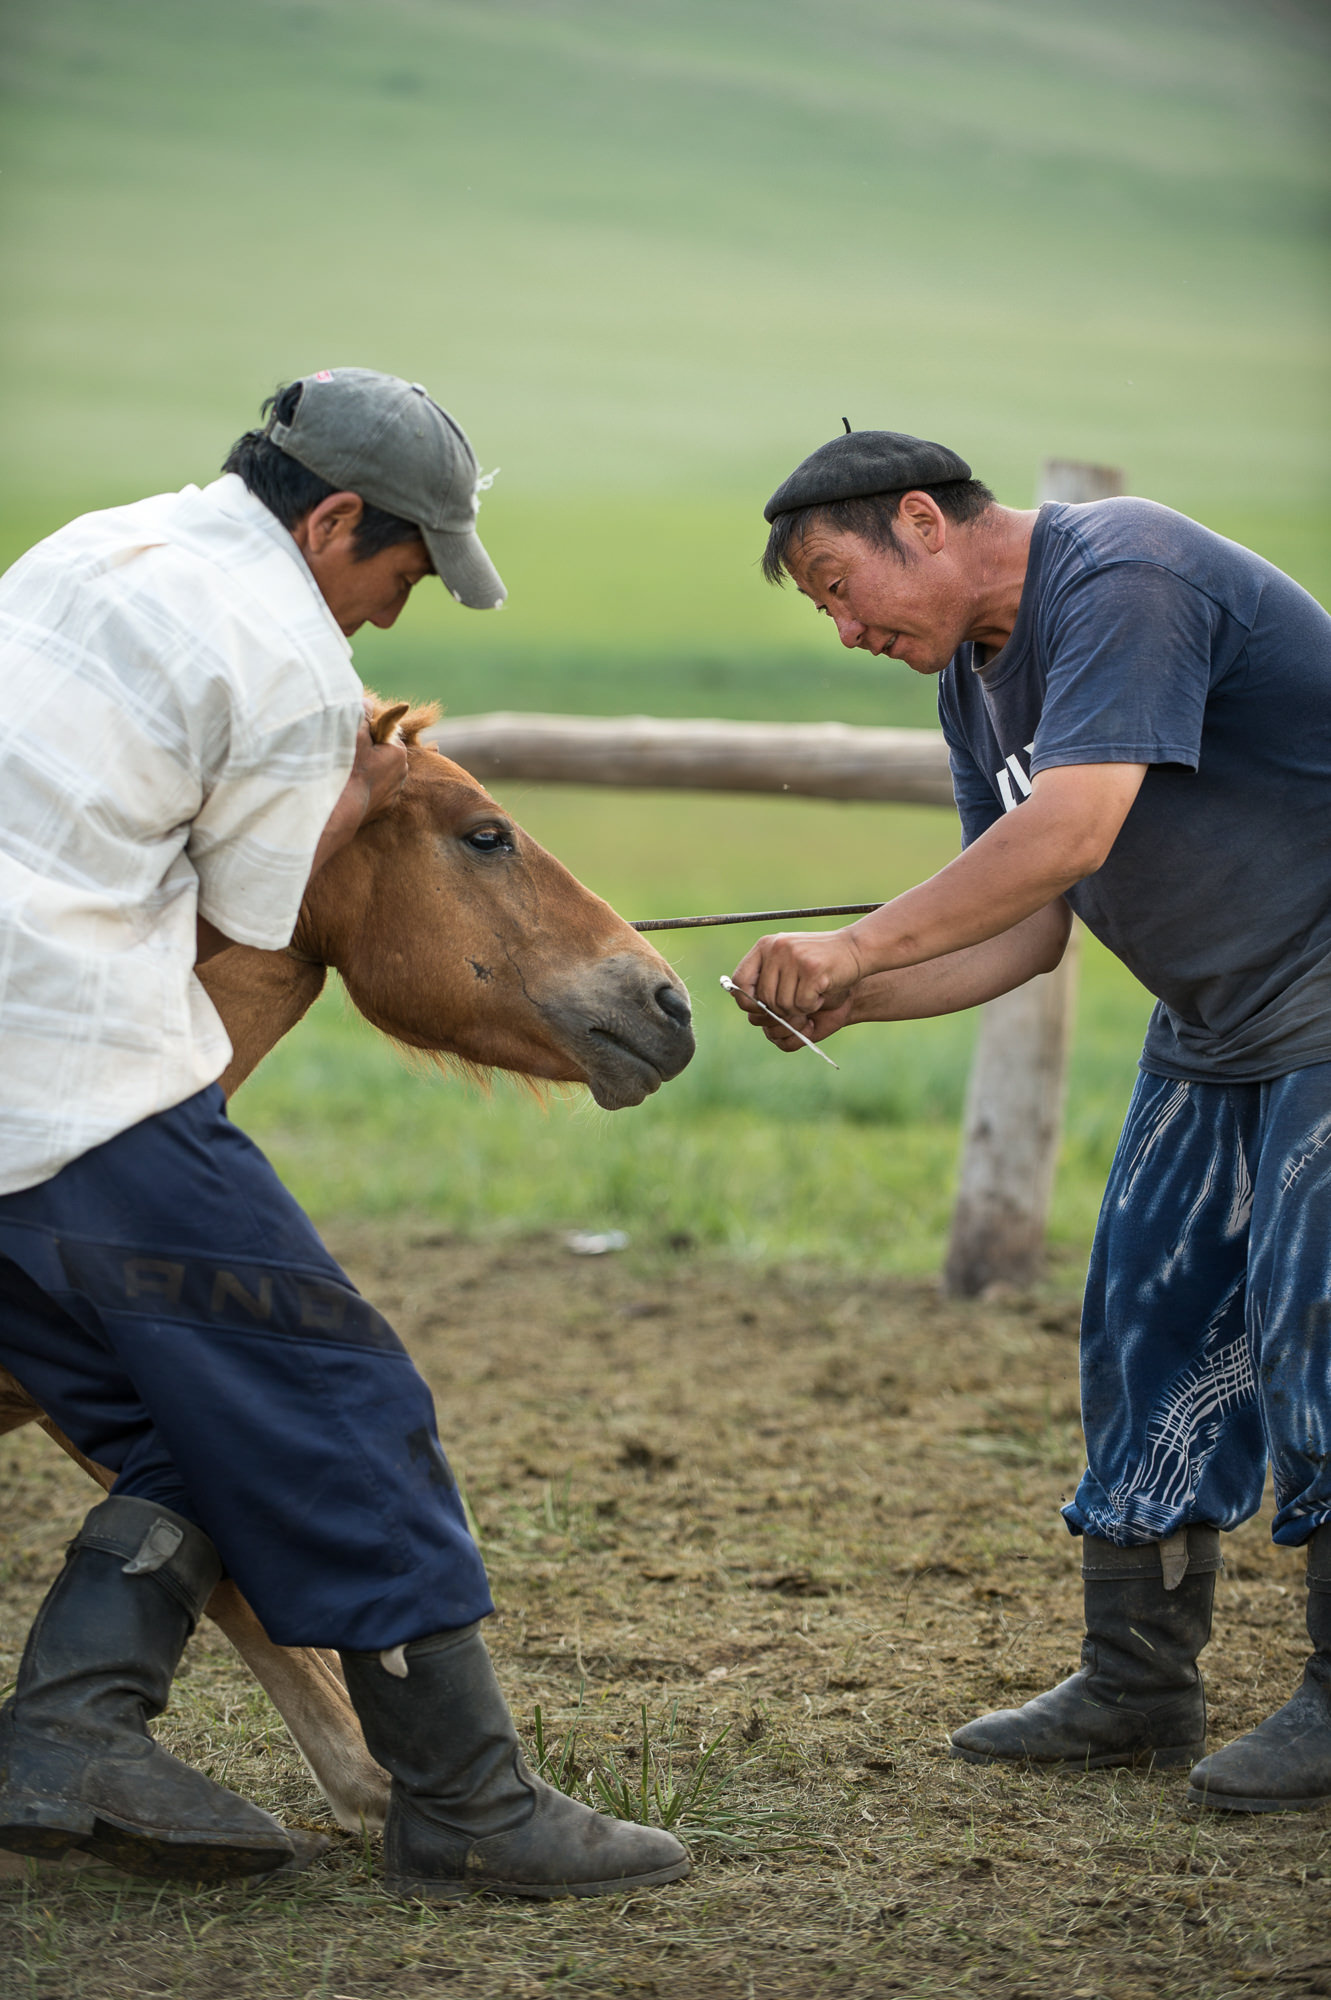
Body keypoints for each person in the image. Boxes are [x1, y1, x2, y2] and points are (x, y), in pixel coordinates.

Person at [0, 368, 688, 1897]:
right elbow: (256, 925)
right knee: (338, 1397)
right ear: (328, 520)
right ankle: (467, 1807)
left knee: (197, 1421)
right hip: (58, 1068)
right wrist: (362, 785)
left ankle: (69, 1727)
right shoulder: (289, 656)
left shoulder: (90, 550)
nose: (396, 608)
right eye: (401, 567)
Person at [731, 426, 1331, 1814]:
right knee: (1143, 1320)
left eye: (839, 585)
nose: (843, 629)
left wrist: (860, 942)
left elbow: (1068, 832)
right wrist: (850, 1000)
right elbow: (1028, 931)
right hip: (1220, 1020)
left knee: (1318, 1328)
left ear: (926, 524)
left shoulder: (1125, 573)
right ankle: (1137, 1684)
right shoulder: (975, 690)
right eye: (819, 608)